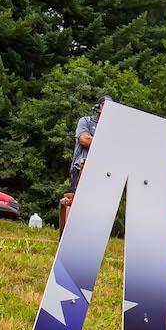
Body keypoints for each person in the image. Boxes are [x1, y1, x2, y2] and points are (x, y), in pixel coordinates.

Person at [61, 95, 109, 233]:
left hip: (102, 171)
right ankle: (67, 234)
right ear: (99, 106)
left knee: (96, 206)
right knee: (74, 200)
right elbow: (84, 139)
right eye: (104, 105)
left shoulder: (111, 127)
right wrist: (108, 141)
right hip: (81, 167)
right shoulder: (86, 121)